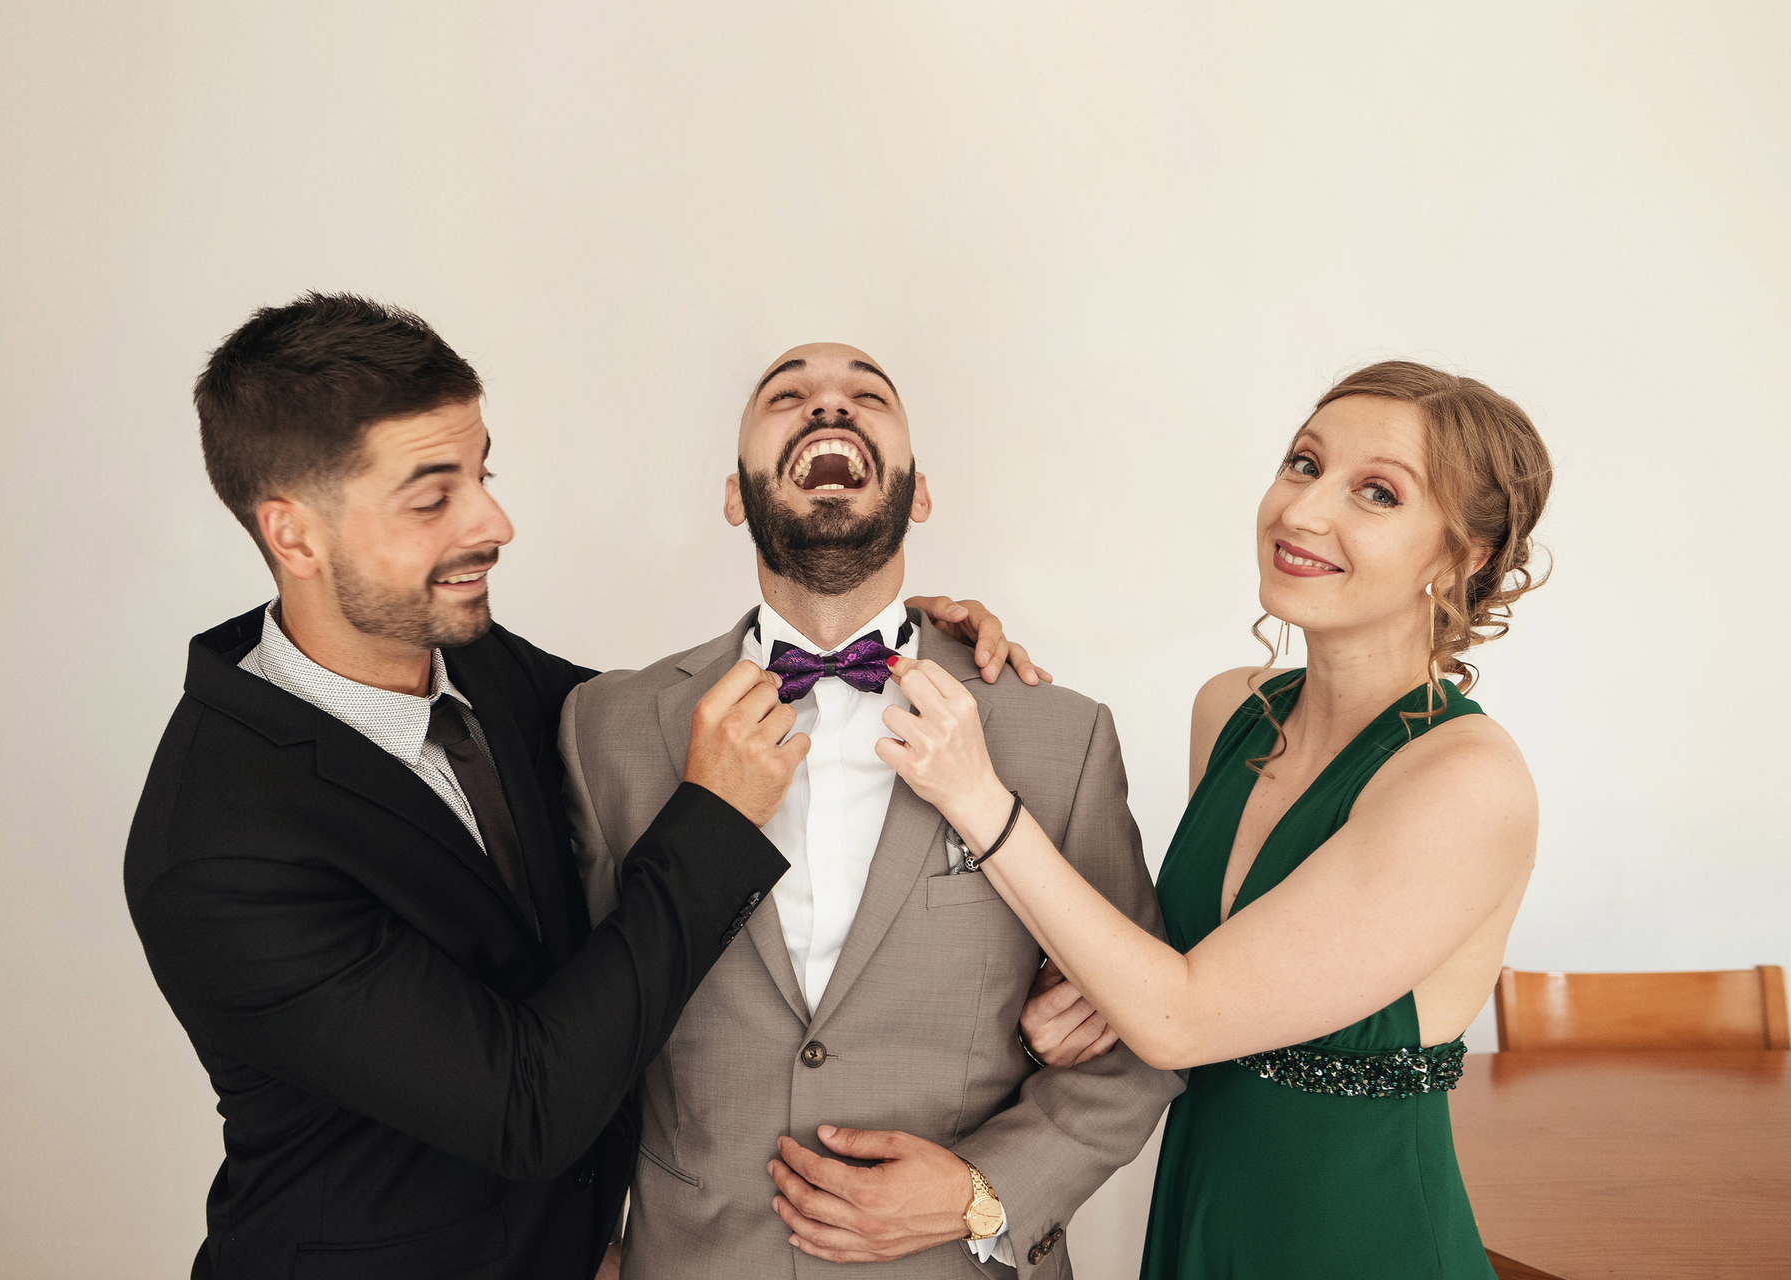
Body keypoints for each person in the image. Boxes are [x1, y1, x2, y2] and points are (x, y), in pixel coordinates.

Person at [124, 296, 1033, 1280]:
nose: (495, 524)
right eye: (432, 500)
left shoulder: (476, 664)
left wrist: (879, 624)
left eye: (482, 475)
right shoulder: (216, 850)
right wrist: (715, 820)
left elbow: (652, 720)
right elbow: (528, 1108)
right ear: (294, 536)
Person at [877, 361, 1552, 1280]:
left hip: (1362, 1244)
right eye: (1304, 464)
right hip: (1200, 1217)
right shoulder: (1230, 710)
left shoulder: (1466, 781)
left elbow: (1182, 1017)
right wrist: (937, 648)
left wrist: (975, 796)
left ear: (1463, 556)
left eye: (1378, 493)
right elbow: (1178, 978)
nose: (1303, 511)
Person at [560, 343, 1184, 1279]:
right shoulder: (605, 725)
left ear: (917, 493)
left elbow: (1142, 1035)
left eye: (866, 394)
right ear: (734, 497)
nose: (828, 406)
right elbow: (577, 1021)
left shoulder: (1062, 734)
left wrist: (983, 1192)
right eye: (788, 395)